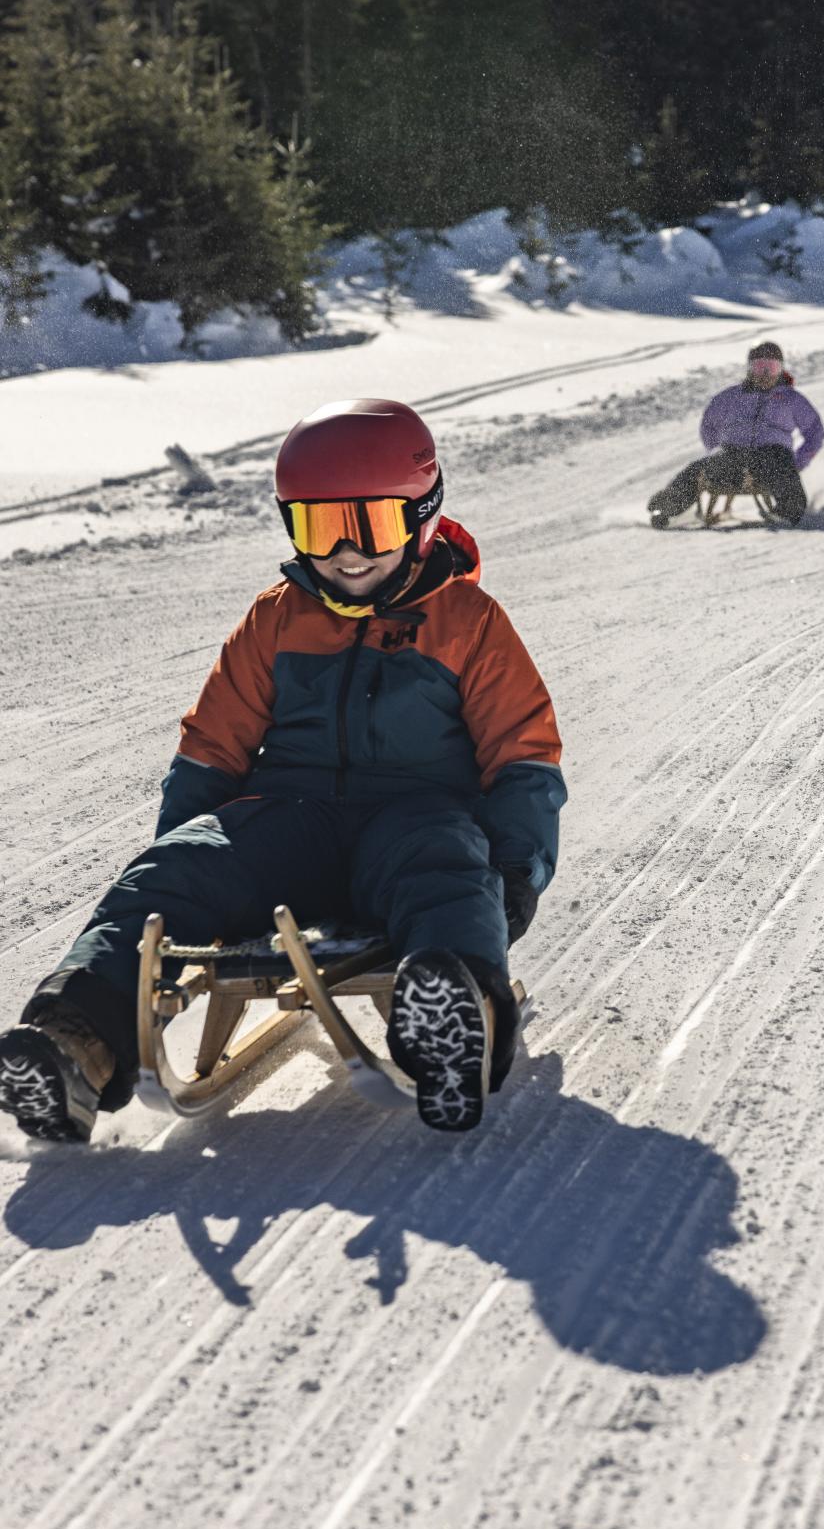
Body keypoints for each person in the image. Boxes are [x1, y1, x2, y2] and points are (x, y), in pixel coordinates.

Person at [0, 398, 565, 1144]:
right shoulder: (276, 618)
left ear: (422, 516)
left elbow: (522, 752)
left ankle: (453, 1020)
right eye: (319, 528)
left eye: (371, 526)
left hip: (414, 817)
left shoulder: (469, 622)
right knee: (169, 876)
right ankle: (73, 1044)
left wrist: (516, 872)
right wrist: (190, 846)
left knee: (449, 869)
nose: (346, 552)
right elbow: (213, 745)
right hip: (288, 819)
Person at [647, 341, 824, 528]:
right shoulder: (731, 396)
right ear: (749, 369)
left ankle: (788, 513)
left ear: (780, 369)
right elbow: (708, 425)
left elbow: (815, 432)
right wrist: (716, 449)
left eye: (771, 368)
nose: (764, 374)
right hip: (733, 454)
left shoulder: (791, 399)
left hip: (773, 454)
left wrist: (798, 462)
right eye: (759, 367)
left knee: (783, 471)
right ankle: (667, 508)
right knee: (697, 471)